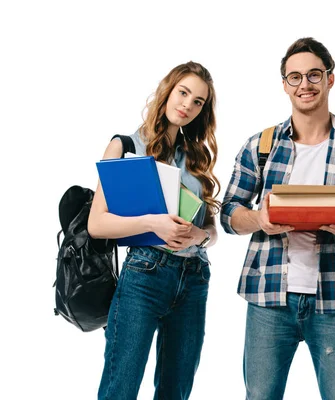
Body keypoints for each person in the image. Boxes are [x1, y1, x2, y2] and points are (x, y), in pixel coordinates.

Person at [220, 37, 335, 400]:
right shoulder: (261, 144)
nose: (305, 85)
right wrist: (259, 220)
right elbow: (228, 212)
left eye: (314, 75)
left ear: (330, 79)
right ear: (284, 85)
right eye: (295, 77)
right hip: (270, 298)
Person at [88, 61, 220, 400]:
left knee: (176, 391)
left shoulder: (197, 157)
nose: (187, 105)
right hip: (145, 274)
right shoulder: (126, 146)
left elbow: (212, 231)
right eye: (184, 93)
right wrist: (152, 223)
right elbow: (97, 223)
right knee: (121, 388)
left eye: (198, 102)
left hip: (194, 278)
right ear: (168, 91)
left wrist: (199, 236)